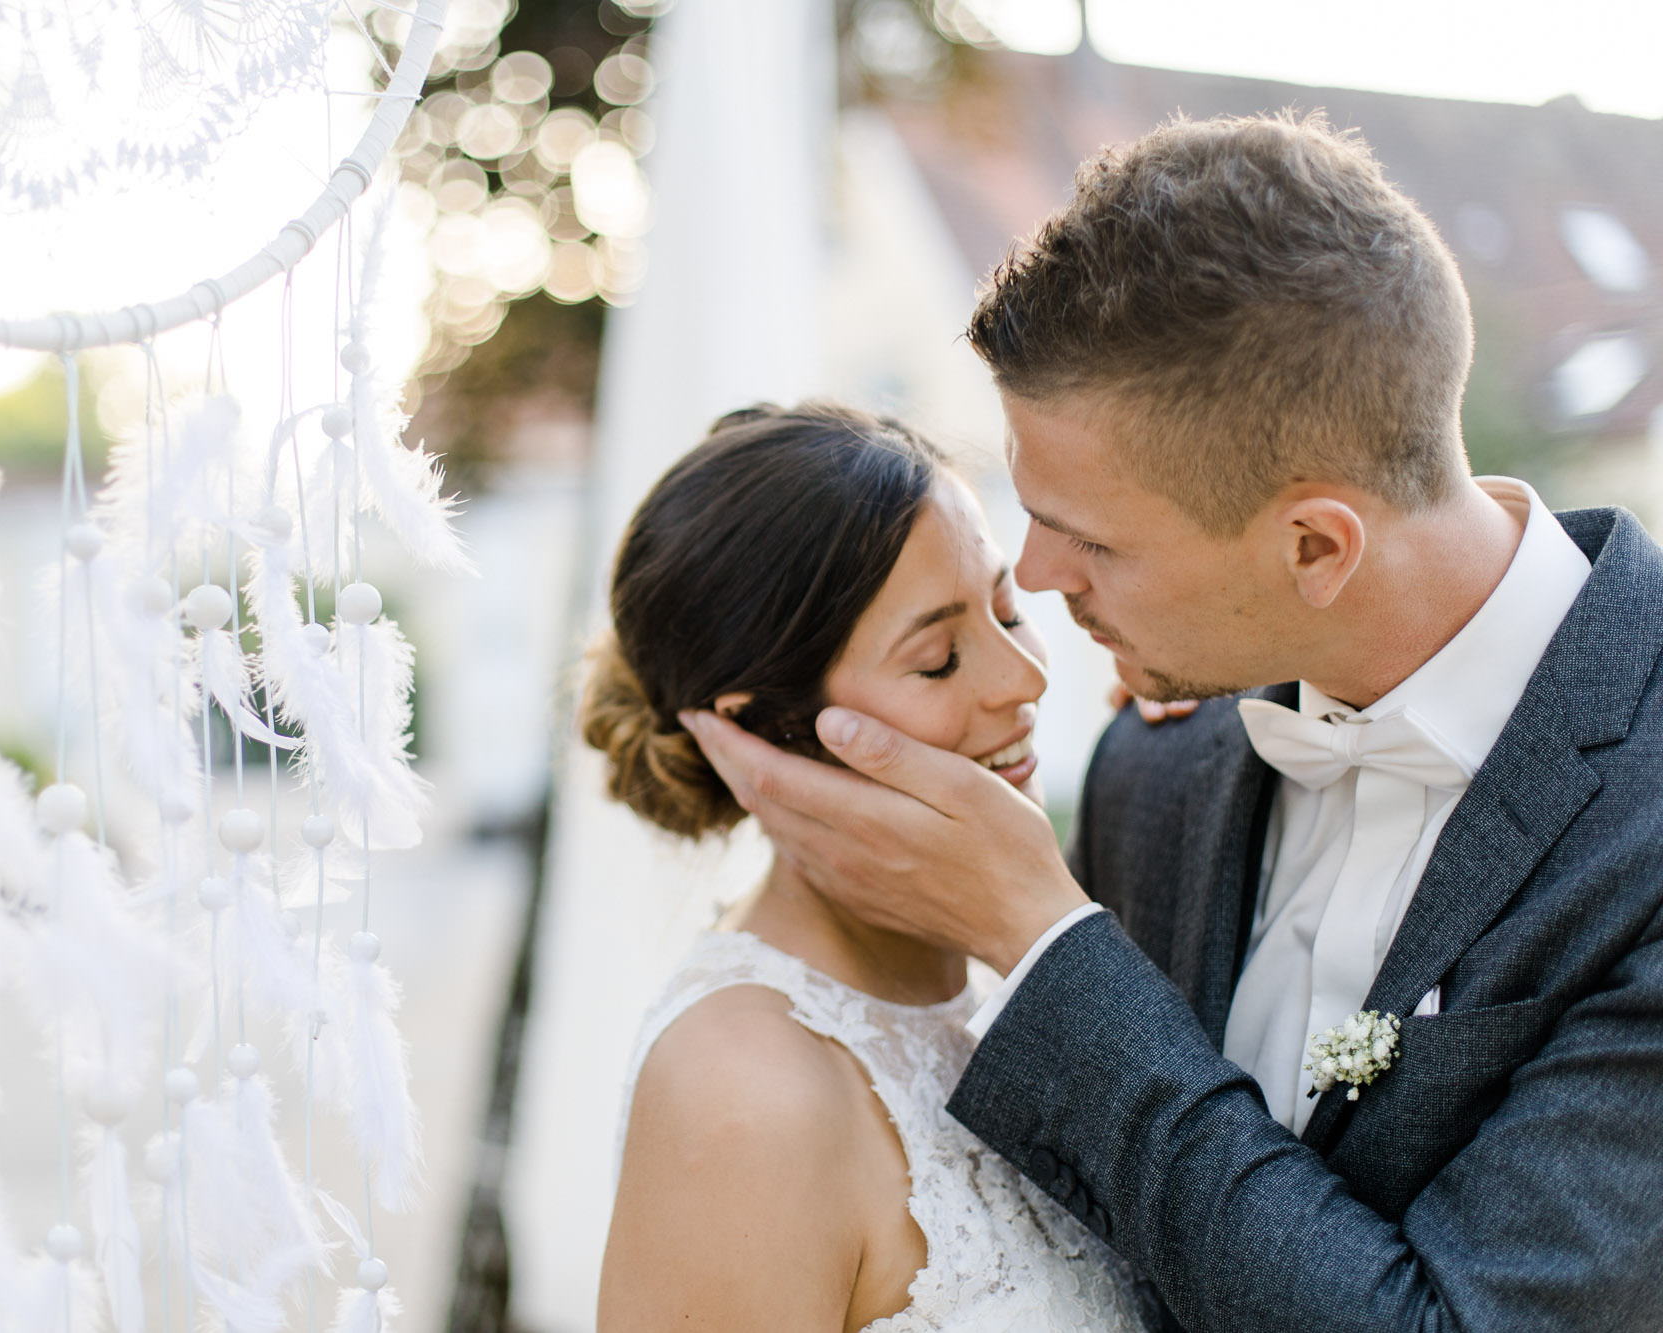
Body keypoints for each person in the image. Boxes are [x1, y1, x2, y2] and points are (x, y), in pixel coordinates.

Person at [682, 111, 1663, 1330]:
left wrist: (1046, 947)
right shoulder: (1161, 756)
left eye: (1088, 538)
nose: (1034, 579)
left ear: (1312, 546)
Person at [585, 403, 1148, 1331]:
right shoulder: (743, 1093)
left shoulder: (1017, 971)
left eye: (1008, 609)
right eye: (937, 660)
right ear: (769, 732)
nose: (1024, 678)